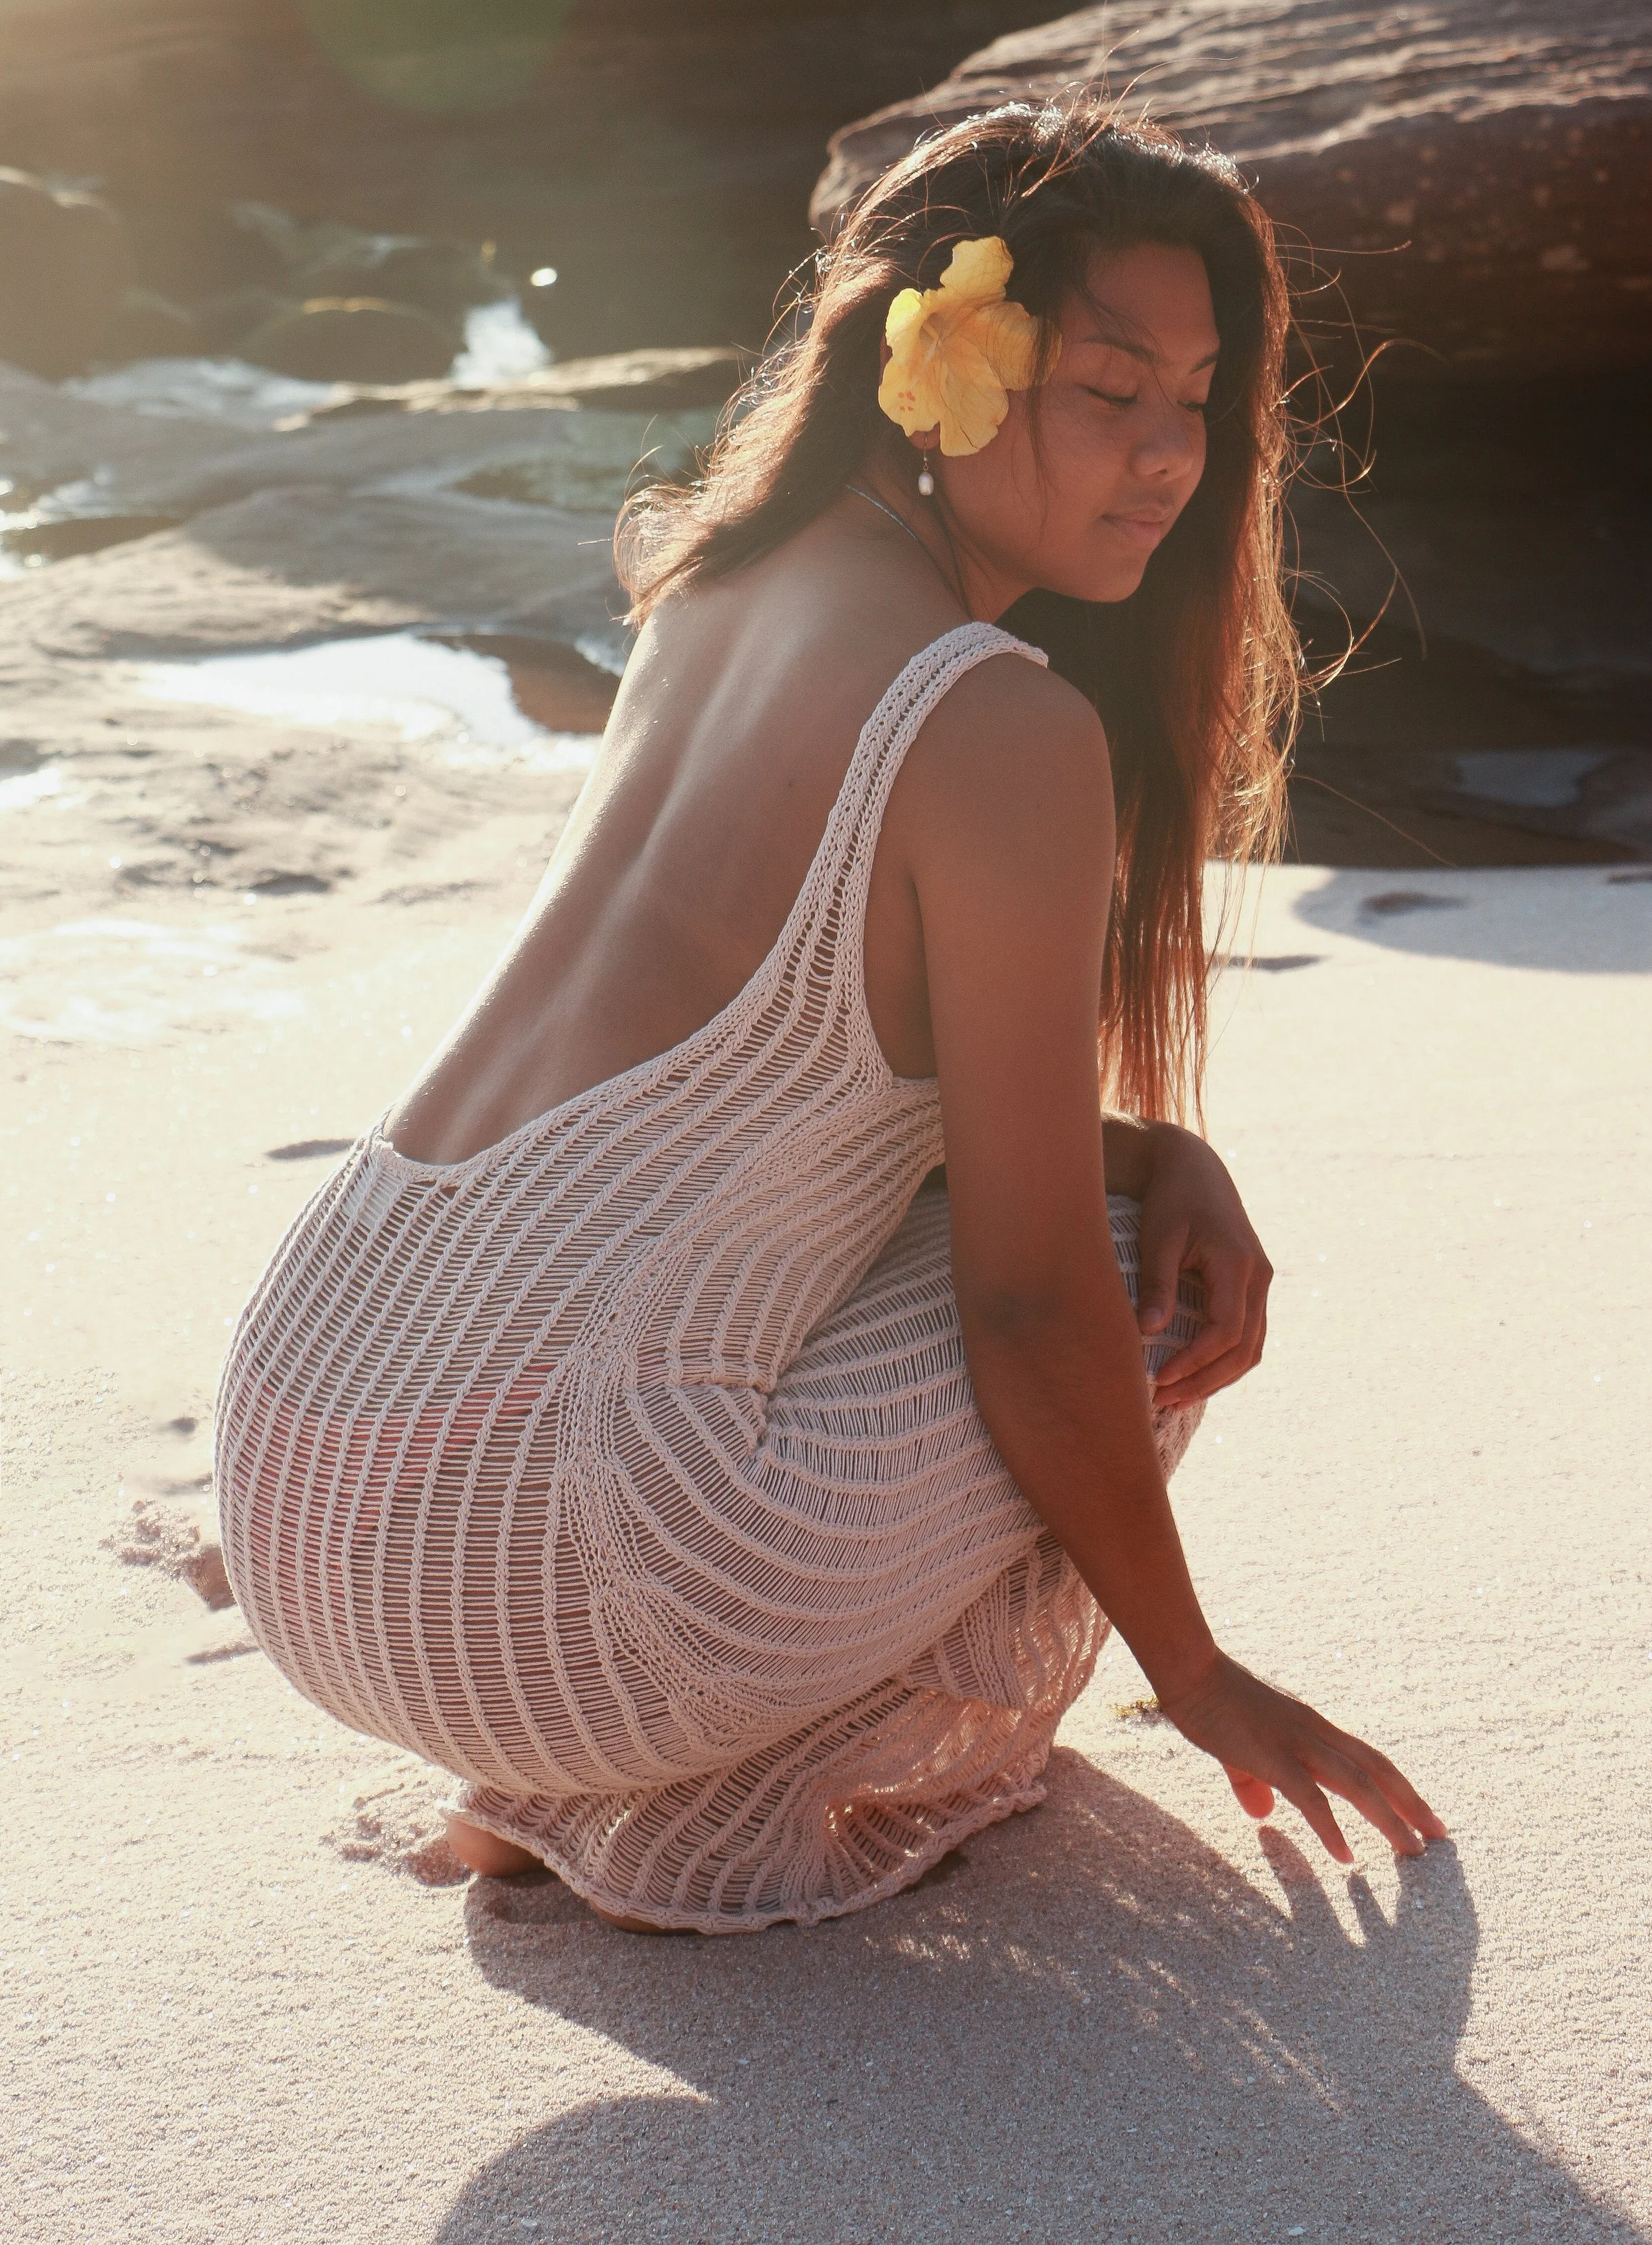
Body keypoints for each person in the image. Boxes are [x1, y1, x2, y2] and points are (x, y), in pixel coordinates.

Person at [214, 98, 1444, 1935]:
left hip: (300, 1455)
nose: (1170, 454)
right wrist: (1195, 1670)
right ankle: (704, 1797)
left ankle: (607, 1764)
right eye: (1111, 387)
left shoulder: (709, 580)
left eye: (1198, 399)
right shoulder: (998, 724)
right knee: (1132, 1282)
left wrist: (1158, 1141)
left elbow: (759, 1089)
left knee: (1087, 1206)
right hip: (533, 1582)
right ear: (944, 370)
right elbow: (1032, 1302)